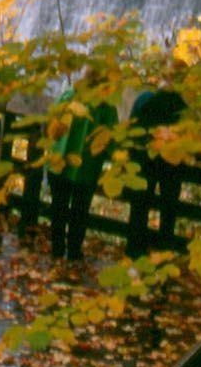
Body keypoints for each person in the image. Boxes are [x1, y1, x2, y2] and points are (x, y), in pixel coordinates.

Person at [48, 74, 116, 262]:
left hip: (59, 162)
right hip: (87, 169)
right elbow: (111, 140)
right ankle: (74, 252)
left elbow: (52, 124)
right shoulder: (106, 106)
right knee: (80, 212)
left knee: (58, 208)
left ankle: (57, 250)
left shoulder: (68, 95)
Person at [125, 84, 189, 257]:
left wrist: (133, 156)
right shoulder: (183, 108)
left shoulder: (144, 99)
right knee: (168, 211)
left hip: (143, 162)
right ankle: (164, 252)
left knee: (139, 208)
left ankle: (135, 251)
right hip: (171, 168)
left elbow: (131, 131)